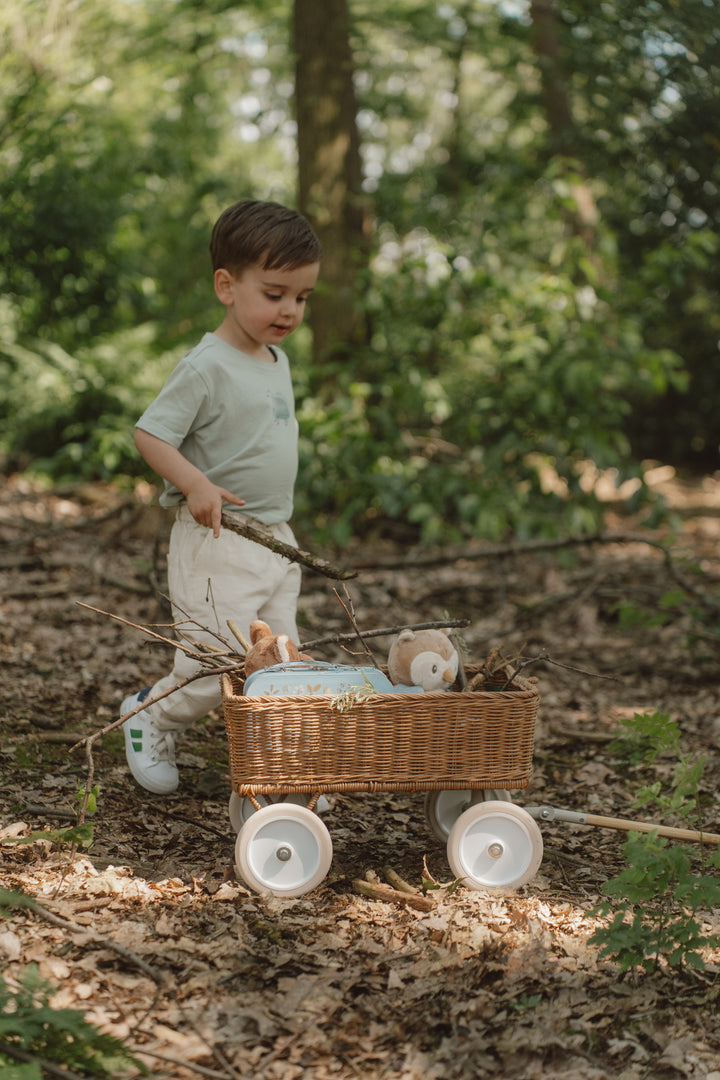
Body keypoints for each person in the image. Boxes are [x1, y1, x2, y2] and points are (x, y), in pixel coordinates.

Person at [121, 199, 322, 794]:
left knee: (279, 661)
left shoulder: (276, 358)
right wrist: (195, 482)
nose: (289, 310)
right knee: (214, 665)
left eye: (302, 298)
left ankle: (277, 763)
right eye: (276, 292)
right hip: (218, 539)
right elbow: (149, 433)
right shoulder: (206, 365)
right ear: (227, 286)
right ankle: (150, 715)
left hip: (275, 540)